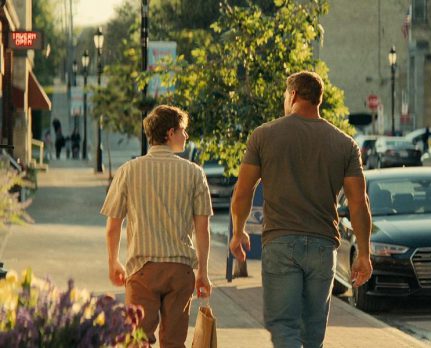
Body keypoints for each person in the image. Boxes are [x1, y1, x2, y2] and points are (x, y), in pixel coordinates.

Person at [230, 71, 373, 348]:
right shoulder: (345, 144)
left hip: (280, 244)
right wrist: (364, 254)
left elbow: (243, 191)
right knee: (313, 333)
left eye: (286, 95)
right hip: (323, 247)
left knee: (285, 328)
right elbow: (359, 202)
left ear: (293, 95)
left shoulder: (264, 135)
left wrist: (238, 232)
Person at [100, 105, 213, 347]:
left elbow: (113, 225)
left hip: (142, 270)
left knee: (137, 340)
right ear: (170, 132)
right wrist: (202, 271)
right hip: (180, 271)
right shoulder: (194, 173)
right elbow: (202, 229)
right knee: (174, 342)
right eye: (183, 130)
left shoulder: (128, 171)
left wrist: (113, 261)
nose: (186, 136)